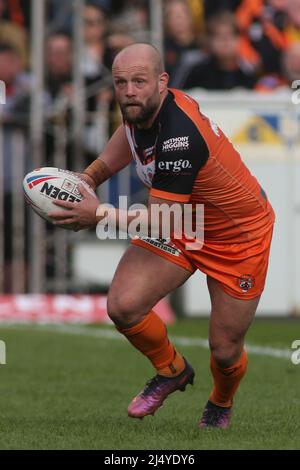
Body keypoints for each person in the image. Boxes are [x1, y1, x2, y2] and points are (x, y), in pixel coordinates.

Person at [49, 43, 275, 429]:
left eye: (139, 81)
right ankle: (172, 370)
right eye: (121, 82)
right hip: (185, 221)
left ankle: (221, 401)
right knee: (123, 305)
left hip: (237, 234)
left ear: (162, 82)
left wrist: (97, 213)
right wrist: (90, 178)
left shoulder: (179, 136)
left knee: (224, 350)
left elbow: (160, 220)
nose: (129, 91)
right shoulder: (144, 108)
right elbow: (129, 133)